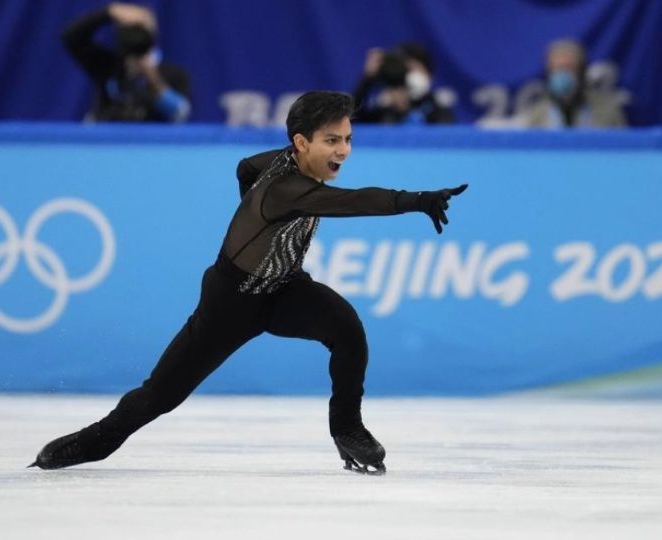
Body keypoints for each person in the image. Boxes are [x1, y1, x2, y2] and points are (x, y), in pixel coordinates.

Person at [29, 91, 467, 475]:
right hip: (230, 302)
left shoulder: (274, 163)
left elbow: (243, 168)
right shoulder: (287, 187)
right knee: (160, 395)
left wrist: (254, 219)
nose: (344, 150)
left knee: (347, 330)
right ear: (302, 143)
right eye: (332, 140)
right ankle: (92, 442)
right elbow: (355, 201)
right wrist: (418, 200)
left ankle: (347, 429)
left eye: (348, 138)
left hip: (283, 289)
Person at [62, 3, 191, 122]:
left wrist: (152, 77)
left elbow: (181, 112)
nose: (135, 36)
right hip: (108, 141)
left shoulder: (174, 74)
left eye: (140, 30)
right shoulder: (108, 65)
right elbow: (71, 38)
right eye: (130, 30)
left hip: (150, 143)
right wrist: (109, 12)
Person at [523, 39, 626, 128]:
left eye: (569, 68)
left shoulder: (608, 111)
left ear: (581, 71)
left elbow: (622, 147)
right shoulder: (538, 113)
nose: (562, 75)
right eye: (557, 69)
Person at [352, 42, 454, 125]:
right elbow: (349, 122)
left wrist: (407, 110)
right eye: (406, 70)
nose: (408, 77)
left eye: (413, 69)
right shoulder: (383, 111)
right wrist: (367, 79)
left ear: (429, 75)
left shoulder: (437, 110)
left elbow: (445, 136)